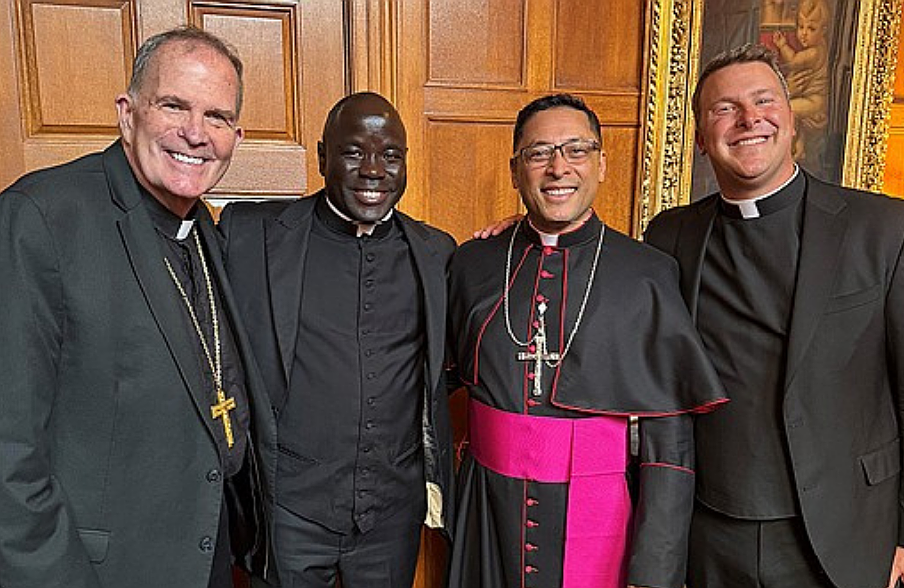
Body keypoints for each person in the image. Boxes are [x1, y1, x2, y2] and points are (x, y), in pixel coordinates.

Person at [644, 44, 904, 588]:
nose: (749, 118)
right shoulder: (670, 235)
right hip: (712, 529)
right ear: (702, 140)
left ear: (792, 120)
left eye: (763, 101)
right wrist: (524, 233)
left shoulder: (889, 230)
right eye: (724, 108)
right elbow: (607, 282)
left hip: (846, 526)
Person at [0, 27, 276, 588]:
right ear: (128, 114)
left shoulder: (203, 228)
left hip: (205, 557)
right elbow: (9, 452)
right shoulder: (43, 218)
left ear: (236, 136)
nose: (196, 134)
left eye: (217, 118)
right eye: (173, 106)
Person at [446, 93, 727, 588]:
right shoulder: (473, 263)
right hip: (485, 511)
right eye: (539, 153)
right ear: (516, 170)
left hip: (597, 515)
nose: (559, 168)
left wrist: (655, 570)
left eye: (577, 150)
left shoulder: (646, 274)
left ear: (602, 165)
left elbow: (670, 444)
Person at [220, 92, 455, 588]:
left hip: (393, 513)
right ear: (324, 155)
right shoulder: (249, 236)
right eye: (353, 152)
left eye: (390, 155)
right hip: (289, 511)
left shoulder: (438, 253)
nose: (373, 170)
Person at [773, 0, 829, 166]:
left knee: (788, 108)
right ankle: (799, 144)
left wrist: (782, 45)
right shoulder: (815, 48)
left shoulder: (814, 52)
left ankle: (797, 146)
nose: (803, 33)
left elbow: (793, 61)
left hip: (814, 102)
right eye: (801, 27)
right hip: (810, 98)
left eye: (811, 28)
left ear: (824, 31)